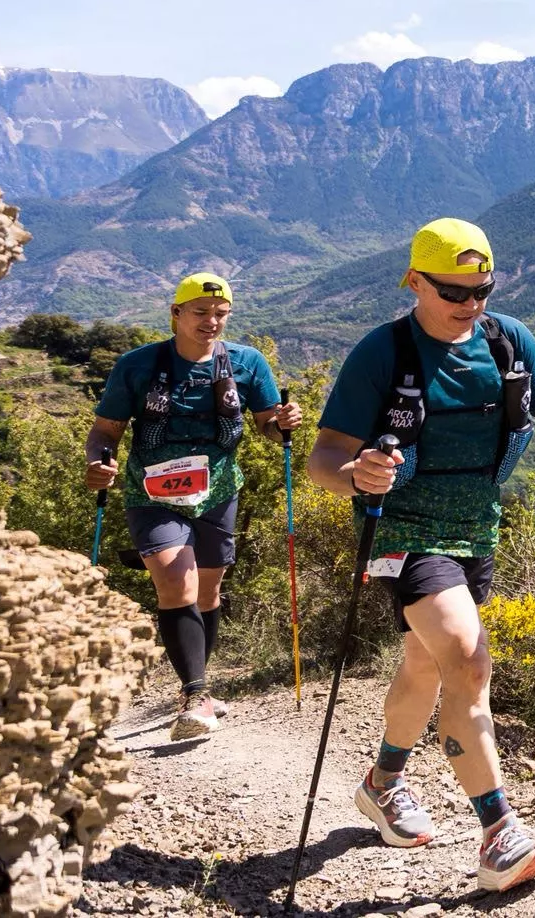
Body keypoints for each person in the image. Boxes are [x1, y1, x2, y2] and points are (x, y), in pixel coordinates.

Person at [307, 217, 535, 894]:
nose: (470, 302)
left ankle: (382, 784)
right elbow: (325, 458)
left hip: (476, 530)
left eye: (481, 289)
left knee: (424, 663)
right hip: (401, 530)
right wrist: (356, 476)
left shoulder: (508, 341)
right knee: (465, 655)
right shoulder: (382, 354)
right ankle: (499, 833)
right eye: (453, 291)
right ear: (414, 282)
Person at [86, 272, 303, 741]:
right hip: (151, 494)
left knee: (207, 592)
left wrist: (283, 423)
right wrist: (98, 462)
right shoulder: (137, 365)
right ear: (176, 313)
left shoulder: (247, 363)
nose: (211, 321)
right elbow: (105, 431)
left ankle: (197, 686)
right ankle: (195, 693)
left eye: (221, 314)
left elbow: (268, 426)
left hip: (218, 491)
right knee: (174, 581)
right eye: (201, 312)